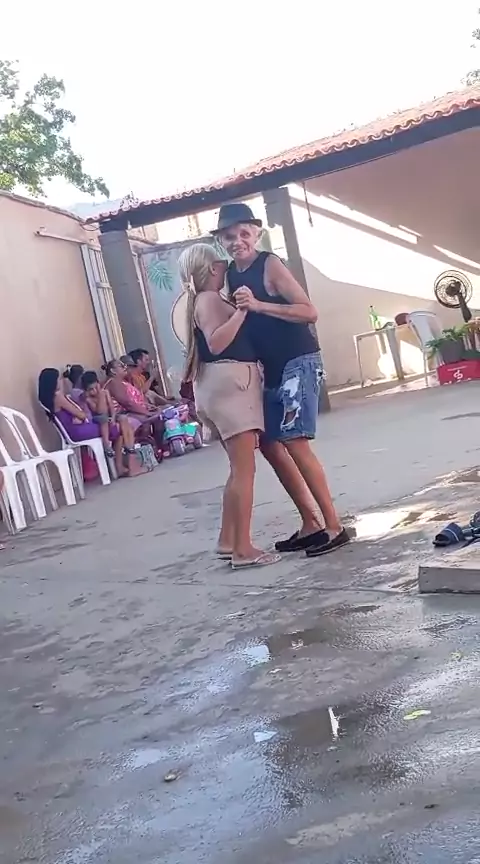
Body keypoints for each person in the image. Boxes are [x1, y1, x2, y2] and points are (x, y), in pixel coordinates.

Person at [213, 202, 348, 557]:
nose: (237, 241)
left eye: (244, 233)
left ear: (256, 233)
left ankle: (334, 526)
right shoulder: (231, 274)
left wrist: (259, 305)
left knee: (295, 441)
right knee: (270, 443)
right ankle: (310, 522)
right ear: (221, 241)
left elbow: (309, 311)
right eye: (229, 236)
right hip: (269, 368)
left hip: (297, 360)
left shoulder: (269, 264)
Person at [178, 241, 279, 569]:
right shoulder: (208, 299)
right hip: (232, 386)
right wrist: (241, 312)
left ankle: (228, 539)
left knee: (237, 470)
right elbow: (217, 341)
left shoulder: (202, 300)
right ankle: (243, 549)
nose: (226, 266)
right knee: (244, 471)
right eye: (221, 262)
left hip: (218, 386)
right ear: (212, 268)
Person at [38, 368, 145, 478]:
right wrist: (80, 415)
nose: (60, 381)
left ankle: (120, 467)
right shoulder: (58, 397)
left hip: (75, 428)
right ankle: (130, 465)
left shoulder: (52, 399)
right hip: (77, 430)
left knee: (121, 428)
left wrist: (78, 416)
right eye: (58, 379)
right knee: (121, 426)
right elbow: (81, 415)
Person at [80, 370, 147, 477]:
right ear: (87, 391)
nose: (95, 391)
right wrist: (101, 396)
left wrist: (113, 417)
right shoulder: (89, 399)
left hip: (111, 418)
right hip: (100, 421)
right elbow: (100, 411)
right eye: (91, 389)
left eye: (96, 387)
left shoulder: (105, 392)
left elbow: (111, 407)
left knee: (124, 420)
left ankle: (128, 458)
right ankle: (131, 463)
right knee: (122, 431)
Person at [103, 358, 166, 451]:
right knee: (157, 416)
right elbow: (127, 404)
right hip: (119, 416)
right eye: (121, 366)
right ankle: (157, 448)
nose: (125, 367)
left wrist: (146, 406)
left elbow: (132, 401)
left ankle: (155, 448)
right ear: (113, 371)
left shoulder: (120, 382)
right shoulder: (113, 382)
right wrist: (146, 412)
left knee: (159, 413)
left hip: (126, 413)